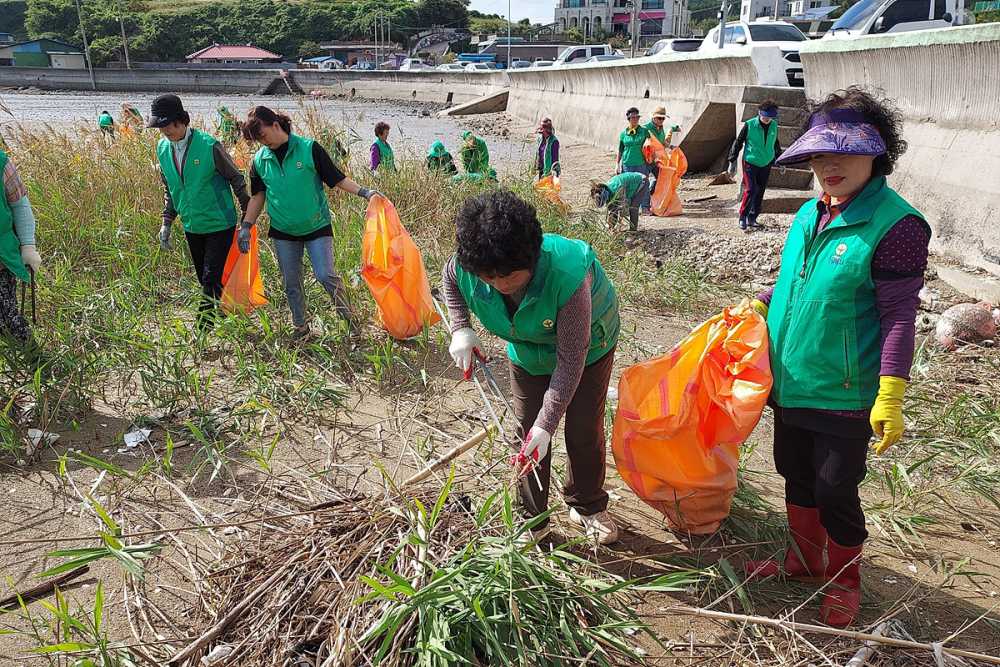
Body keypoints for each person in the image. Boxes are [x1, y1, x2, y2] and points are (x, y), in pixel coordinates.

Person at [743, 87, 931, 629]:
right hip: (792, 379)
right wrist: (757, 307)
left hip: (847, 391)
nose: (831, 165)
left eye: (846, 153)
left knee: (834, 488)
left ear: (878, 154)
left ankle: (843, 578)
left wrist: (891, 393)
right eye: (822, 154)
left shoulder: (897, 225)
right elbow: (794, 285)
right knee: (794, 474)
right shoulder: (808, 213)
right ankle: (802, 561)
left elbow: (898, 316)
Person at [441, 190, 621, 544]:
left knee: (582, 427)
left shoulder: (568, 276)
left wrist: (548, 424)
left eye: (508, 277)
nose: (499, 286)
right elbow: (450, 280)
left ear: (532, 257)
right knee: (526, 432)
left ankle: (587, 504)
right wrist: (461, 326)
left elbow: (570, 362)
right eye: (489, 279)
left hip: (588, 348)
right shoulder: (472, 263)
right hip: (527, 349)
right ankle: (531, 518)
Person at [240, 106, 375, 338]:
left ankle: (352, 323)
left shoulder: (309, 149)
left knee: (325, 275)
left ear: (275, 125)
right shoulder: (260, 160)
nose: (262, 143)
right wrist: (246, 226)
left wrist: (366, 192)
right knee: (292, 282)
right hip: (283, 231)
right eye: (257, 140)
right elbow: (258, 196)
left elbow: (337, 178)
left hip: (316, 227)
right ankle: (301, 327)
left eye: (262, 136)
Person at [150, 94, 250, 333]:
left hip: (219, 222)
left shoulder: (209, 146)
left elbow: (236, 178)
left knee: (209, 279)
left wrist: (247, 220)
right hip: (191, 224)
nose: (165, 131)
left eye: (168, 125)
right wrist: (167, 222)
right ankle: (229, 313)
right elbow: (171, 188)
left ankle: (203, 330)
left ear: (182, 120)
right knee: (206, 278)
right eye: (160, 127)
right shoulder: (163, 148)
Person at [0, 148, 42, 350]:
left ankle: (36, 361)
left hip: (2, 257)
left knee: (8, 319)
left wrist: (28, 246)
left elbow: (19, 205)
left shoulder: (1, 164)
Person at [728, 100, 782, 232]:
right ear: (759, 113)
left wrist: (780, 160)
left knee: (760, 191)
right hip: (750, 163)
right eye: (765, 117)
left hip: (766, 162)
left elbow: (775, 143)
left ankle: (753, 217)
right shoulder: (749, 125)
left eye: (770, 117)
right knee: (751, 189)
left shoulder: (774, 125)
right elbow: (738, 142)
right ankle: (743, 216)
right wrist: (732, 161)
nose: (767, 120)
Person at [617, 107, 651, 214]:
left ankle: (645, 207)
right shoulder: (623, 134)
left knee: (644, 184)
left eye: (637, 117)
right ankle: (628, 208)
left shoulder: (644, 131)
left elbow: (651, 145)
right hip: (627, 163)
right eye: (633, 117)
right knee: (627, 186)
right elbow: (620, 150)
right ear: (628, 118)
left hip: (641, 162)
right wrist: (617, 164)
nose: (635, 119)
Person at [644, 107, 681, 199]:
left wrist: (671, 146)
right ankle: (645, 202)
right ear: (653, 118)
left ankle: (654, 199)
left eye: (663, 118)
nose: (661, 120)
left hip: (658, 160)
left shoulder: (660, 128)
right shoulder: (645, 128)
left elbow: (662, 142)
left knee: (660, 178)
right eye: (659, 118)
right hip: (647, 159)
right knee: (645, 180)